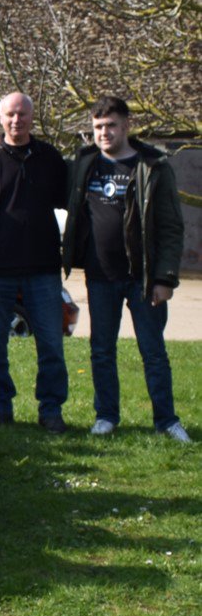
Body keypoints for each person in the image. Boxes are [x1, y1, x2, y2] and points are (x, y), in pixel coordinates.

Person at [63, 96, 189, 442]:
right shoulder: (84, 163)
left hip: (144, 279)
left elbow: (171, 227)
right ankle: (106, 416)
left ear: (126, 126)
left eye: (111, 126)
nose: (104, 133)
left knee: (153, 352)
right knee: (101, 351)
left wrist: (165, 278)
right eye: (98, 127)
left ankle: (166, 421)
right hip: (100, 276)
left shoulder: (153, 166)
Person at [0, 92, 69, 434]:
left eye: (22, 114)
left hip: (43, 269)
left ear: (32, 117)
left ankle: (51, 410)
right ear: (0, 118)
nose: (16, 120)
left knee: (51, 345)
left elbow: (71, 201)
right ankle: (0, 407)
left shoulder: (50, 157)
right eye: (10, 114)